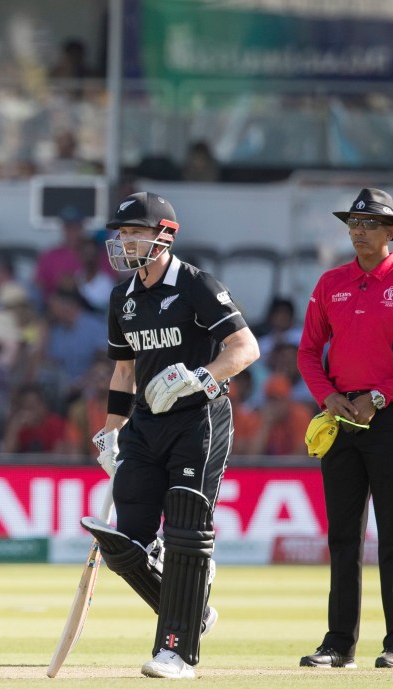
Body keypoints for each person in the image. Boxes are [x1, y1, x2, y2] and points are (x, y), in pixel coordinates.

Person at [79, 191, 259, 679]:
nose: (124, 241)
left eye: (134, 231)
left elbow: (244, 348)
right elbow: (123, 373)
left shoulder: (197, 284)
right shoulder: (124, 297)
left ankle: (177, 653)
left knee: (184, 534)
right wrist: (111, 434)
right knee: (126, 546)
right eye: (120, 233)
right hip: (144, 424)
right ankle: (193, 607)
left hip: (198, 420)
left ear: (164, 235)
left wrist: (200, 376)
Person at [297, 188, 393, 671]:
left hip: (390, 418)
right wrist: (329, 397)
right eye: (353, 223)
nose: (357, 231)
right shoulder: (330, 282)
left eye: (368, 223)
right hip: (340, 418)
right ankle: (339, 644)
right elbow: (307, 352)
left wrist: (377, 397)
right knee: (343, 536)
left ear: (390, 231)